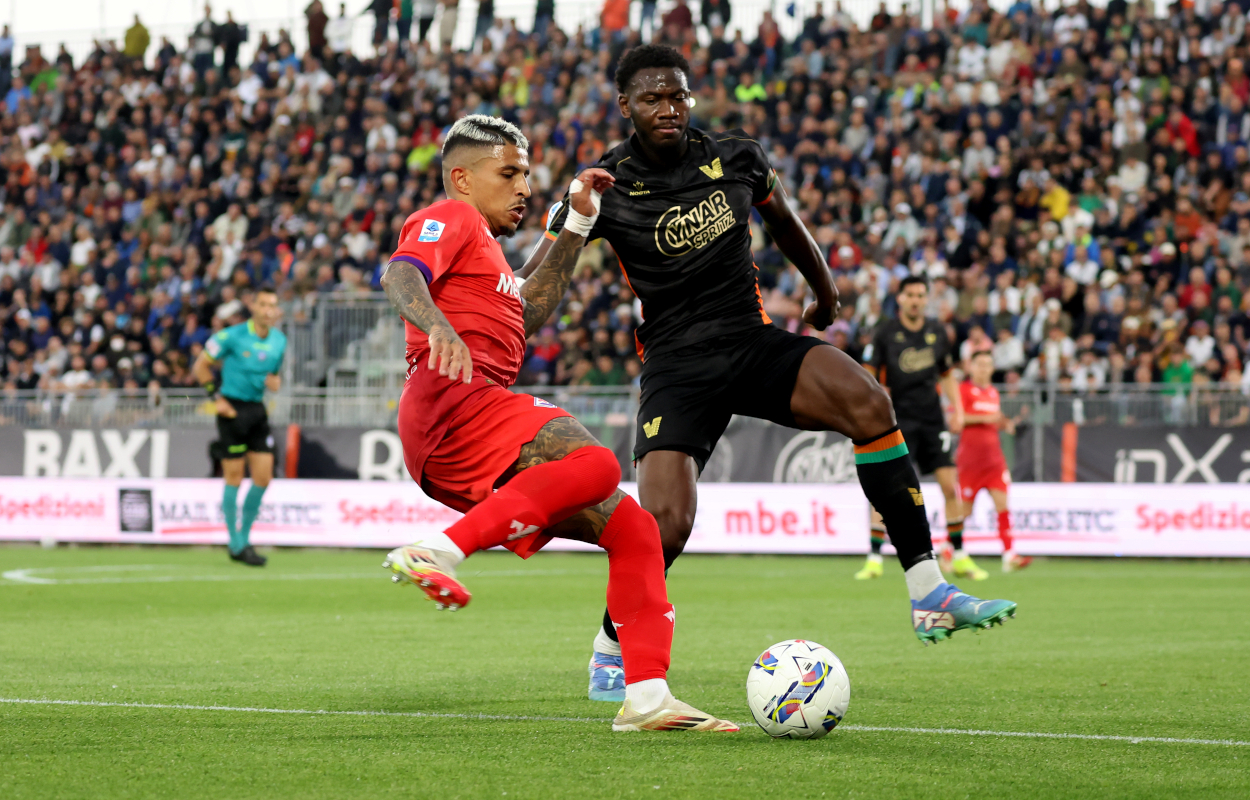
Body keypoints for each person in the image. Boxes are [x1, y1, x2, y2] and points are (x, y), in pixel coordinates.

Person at [521, 46, 1016, 702]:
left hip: (751, 345)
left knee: (870, 403)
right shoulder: (605, 185)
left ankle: (928, 591)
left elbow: (785, 223)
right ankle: (610, 646)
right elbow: (536, 279)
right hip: (678, 368)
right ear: (625, 108)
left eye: (677, 96)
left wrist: (824, 289)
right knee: (664, 524)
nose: (668, 109)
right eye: (652, 100)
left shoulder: (736, 156)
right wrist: (576, 216)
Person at [379, 114, 736, 733]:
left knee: (635, 530)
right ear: (462, 178)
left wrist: (576, 220)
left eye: (527, 174)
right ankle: (437, 548)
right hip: (453, 400)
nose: (523, 186)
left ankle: (647, 697)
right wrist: (436, 324)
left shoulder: (486, 256)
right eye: (509, 173)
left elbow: (528, 309)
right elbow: (402, 271)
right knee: (595, 463)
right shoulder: (453, 218)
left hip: (463, 424)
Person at [858, 276, 989, 582]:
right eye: (910, 295)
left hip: (932, 420)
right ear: (901, 298)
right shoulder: (886, 332)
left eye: (920, 295)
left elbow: (947, 374)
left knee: (949, 485)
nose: (916, 300)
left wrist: (957, 409)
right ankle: (874, 557)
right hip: (896, 421)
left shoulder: (937, 331)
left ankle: (959, 555)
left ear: (925, 299)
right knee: (887, 488)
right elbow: (868, 373)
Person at [192, 287, 287, 567]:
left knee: (263, 477)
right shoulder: (231, 336)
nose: (269, 310)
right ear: (253, 307)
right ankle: (236, 542)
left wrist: (275, 383)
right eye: (264, 304)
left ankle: (244, 539)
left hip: (257, 410)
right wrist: (215, 398)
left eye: (273, 305)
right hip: (231, 409)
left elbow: (273, 377)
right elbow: (201, 366)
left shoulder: (279, 341)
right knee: (233, 476)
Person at [958, 351, 1032, 572]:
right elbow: (958, 419)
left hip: (994, 461)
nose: (984, 368)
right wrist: (985, 418)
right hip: (971, 462)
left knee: (1003, 506)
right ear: (972, 367)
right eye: (980, 364)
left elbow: (994, 418)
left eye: (988, 364)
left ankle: (1009, 555)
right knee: (965, 512)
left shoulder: (992, 393)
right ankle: (948, 547)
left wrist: (1004, 423)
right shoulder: (963, 390)